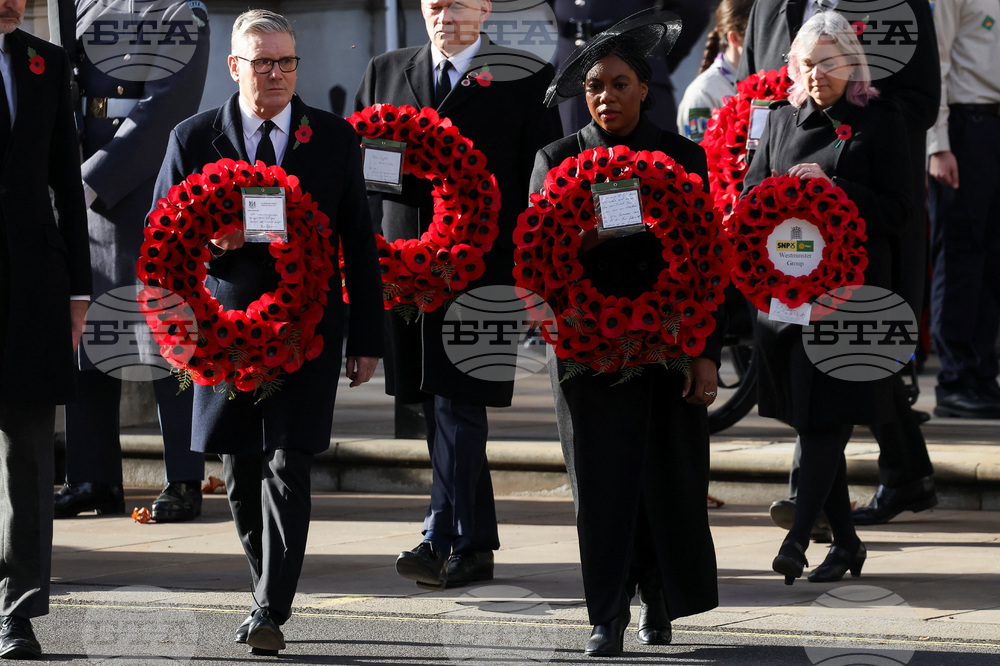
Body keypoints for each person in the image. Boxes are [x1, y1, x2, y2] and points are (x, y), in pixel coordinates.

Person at [152, 9, 383, 654]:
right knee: (241, 464)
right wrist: (213, 244)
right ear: (235, 67)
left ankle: (270, 605)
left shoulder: (333, 139)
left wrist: (367, 339)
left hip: (304, 333)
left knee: (289, 460)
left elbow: (358, 246)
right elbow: (164, 238)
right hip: (223, 332)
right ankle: (264, 586)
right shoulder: (195, 139)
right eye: (262, 63)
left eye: (286, 62)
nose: (276, 74)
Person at [355, 0, 562, 589]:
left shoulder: (526, 77)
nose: (445, 14)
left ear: (485, 8)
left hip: (483, 270)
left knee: (460, 403)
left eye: (459, 3)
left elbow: (537, 185)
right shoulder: (386, 71)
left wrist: (530, 278)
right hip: (403, 266)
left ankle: (437, 532)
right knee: (433, 402)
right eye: (434, 4)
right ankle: (474, 546)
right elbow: (364, 178)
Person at [534, 10, 719, 656]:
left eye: (618, 83)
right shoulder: (557, 158)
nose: (605, 96)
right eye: (593, 87)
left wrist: (703, 355)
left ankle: (660, 601)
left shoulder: (682, 157)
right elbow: (535, 260)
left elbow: (706, 264)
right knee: (604, 486)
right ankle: (605, 614)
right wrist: (590, 235)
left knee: (665, 479)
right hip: (589, 353)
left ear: (644, 87)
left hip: (669, 346)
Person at [737, 0, 940, 529]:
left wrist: (841, 171)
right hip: (790, 284)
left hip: (857, 274)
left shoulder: (880, 111)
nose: (816, 71)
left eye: (829, 62)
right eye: (807, 63)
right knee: (817, 405)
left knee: (827, 405)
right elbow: (754, 101)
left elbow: (920, 106)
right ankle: (857, 516)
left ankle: (806, 524)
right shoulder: (770, 17)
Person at [51, 0, 210, 523]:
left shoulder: (181, 10)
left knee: (165, 339)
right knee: (88, 334)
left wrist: (91, 181)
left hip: (146, 185)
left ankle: (183, 477)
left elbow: (166, 112)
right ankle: (92, 477)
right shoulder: (83, 4)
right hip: (81, 181)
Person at [0, 0, 91, 657]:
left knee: (29, 453)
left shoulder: (46, 62)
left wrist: (80, 288)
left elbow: (67, 177)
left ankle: (18, 612)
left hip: (32, 283)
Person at [927, 0, 1000, 419]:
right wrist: (938, 144)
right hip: (965, 126)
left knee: (992, 259)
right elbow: (936, 59)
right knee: (960, 255)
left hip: (991, 127)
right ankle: (955, 379)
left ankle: (982, 373)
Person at [549, 0, 710, 133]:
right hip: (569, 87)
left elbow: (693, 9)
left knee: (649, 166)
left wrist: (653, 60)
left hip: (634, 82)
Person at [676, 0, 755, 140]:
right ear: (734, 38)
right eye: (759, 35)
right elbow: (701, 155)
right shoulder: (703, 93)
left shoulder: (766, 81)